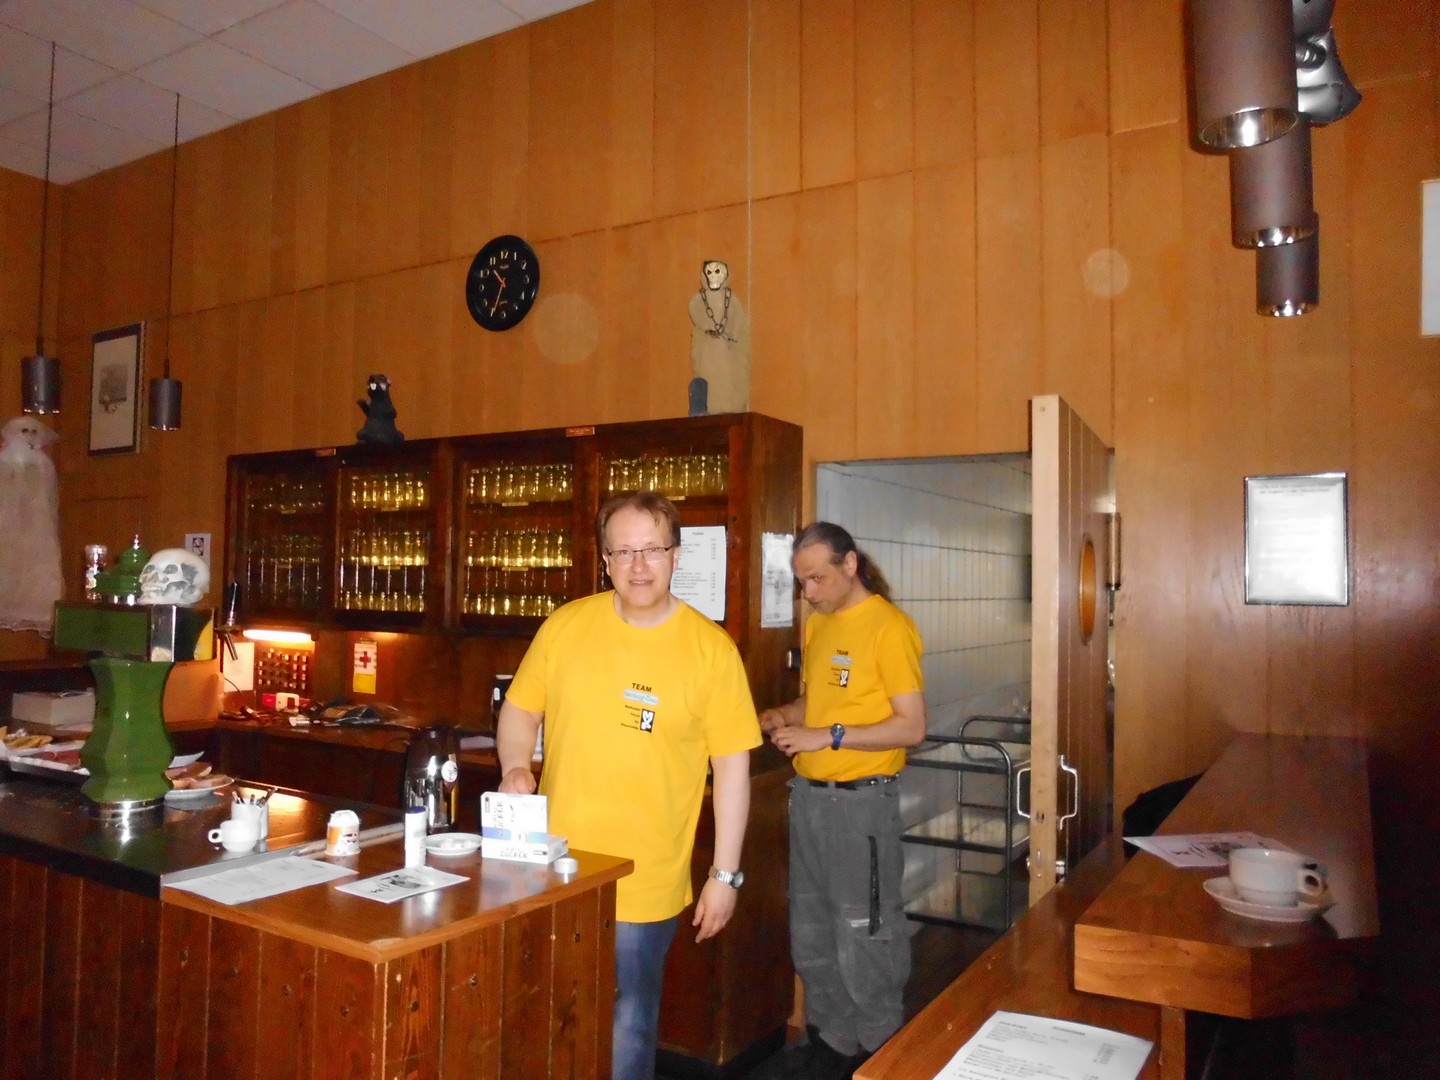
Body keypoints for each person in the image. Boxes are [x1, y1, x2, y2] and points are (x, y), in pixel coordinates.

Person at [496, 491, 760, 1080]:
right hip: (551, 867)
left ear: (675, 555)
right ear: (605, 560)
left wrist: (724, 876)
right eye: (623, 552)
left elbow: (733, 772)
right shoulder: (566, 626)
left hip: (645, 879)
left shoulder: (712, 652)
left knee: (627, 1024)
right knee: (543, 1012)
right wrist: (516, 764)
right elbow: (520, 710)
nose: (638, 566)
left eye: (652, 550)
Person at [759, 522, 926, 1080]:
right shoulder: (819, 624)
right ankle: (833, 1042)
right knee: (811, 929)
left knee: (866, 930)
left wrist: (827, 737)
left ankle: (882, 1052)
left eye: (817, 578)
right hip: (809, 799)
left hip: (862, 807)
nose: (809, 592)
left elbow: (911, 726)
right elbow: (818, 701)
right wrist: (784, 716)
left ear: (850, 565)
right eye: (802, 581)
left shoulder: (889, 628)